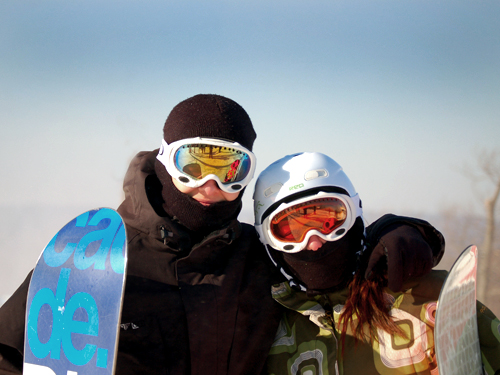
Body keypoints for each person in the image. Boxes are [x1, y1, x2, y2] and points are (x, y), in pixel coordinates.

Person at [0, 94, 283, 374]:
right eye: (193, 166)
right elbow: (7, 356)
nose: (210, 186)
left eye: (230, 170)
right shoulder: (94, 257)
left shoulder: (260, 257)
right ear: (166, 159)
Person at [253, 152, 500, 374]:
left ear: (355, 214)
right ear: (266, 240)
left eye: (329, 221)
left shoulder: (429, 298)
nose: (314, 242)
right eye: (290, 231)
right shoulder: (264, 327)